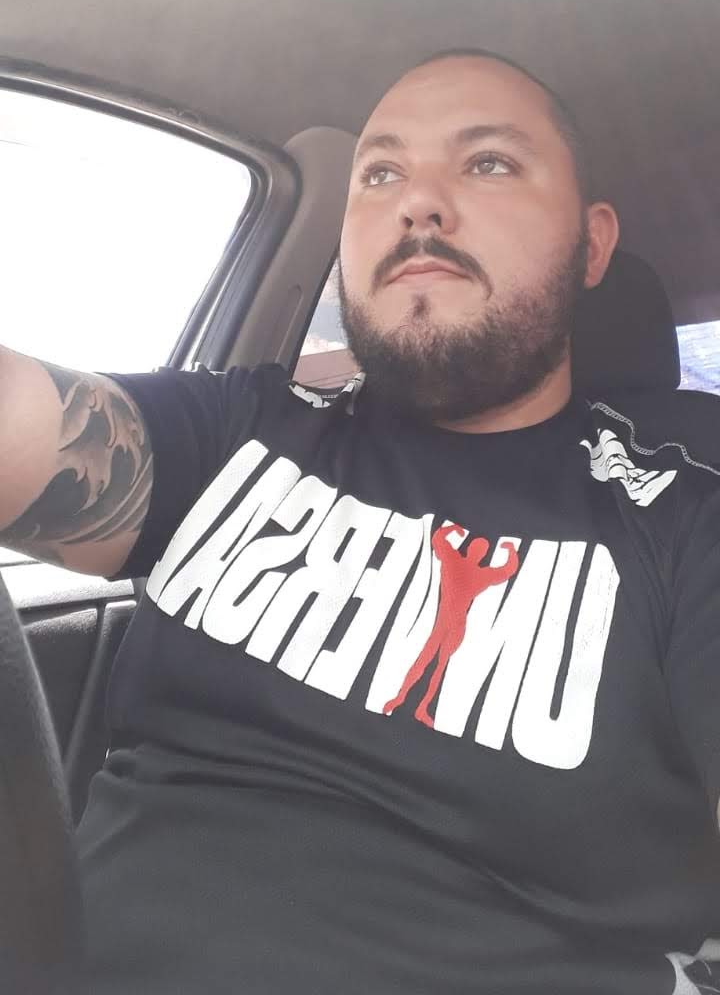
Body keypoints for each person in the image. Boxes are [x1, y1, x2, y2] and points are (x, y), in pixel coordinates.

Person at [1, 49, 719, 995]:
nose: (417, 203)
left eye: (489, 162)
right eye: (380, 173)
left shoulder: (678, 514)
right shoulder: (243, 426)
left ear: (592, 246)